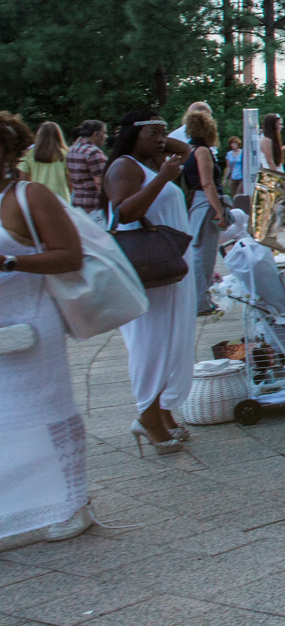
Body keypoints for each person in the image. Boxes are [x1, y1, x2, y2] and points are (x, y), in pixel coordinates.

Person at [0, 112, 92, 548]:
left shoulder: (28, 195)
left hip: (32, 323)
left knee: (51, 411)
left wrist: (11, 263)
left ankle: (75, 504)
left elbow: (70, 256)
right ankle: (17, 506)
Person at [104, 112, 199, 454]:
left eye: (163, 133)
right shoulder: (125, 167)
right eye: (153, 134)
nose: (162, 140)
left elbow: (184, 149)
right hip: (147, 269)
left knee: (172, 340)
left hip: (170, 264)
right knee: (151, 342)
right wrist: (161, 178)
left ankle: (162, 411)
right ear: (133, 135)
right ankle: (147, 417)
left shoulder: (154, 160)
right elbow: (124, 213)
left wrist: (156, 136)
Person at [181, 110, 229, 316]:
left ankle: (200, 300)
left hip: (197, 204)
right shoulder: (203, 151)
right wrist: (219, 210)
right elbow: (207, 182)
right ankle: (201, 302)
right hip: (206, 203)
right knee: (204, 256)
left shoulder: (190, 150)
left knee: (200, 253)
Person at [21, 122, 71, 206]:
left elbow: (23, 179)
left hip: (36, 198)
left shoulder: (29, 154)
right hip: (61, 199)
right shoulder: (65, 154)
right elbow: (69, 181)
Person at [66, 120, 109, 216]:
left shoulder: (73, 149)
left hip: (77, 201)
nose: (106, 136)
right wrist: (107, 204)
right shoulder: (94, 152)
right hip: (93, 205)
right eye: (104, 133)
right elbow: (99, 181)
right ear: (95, 134)